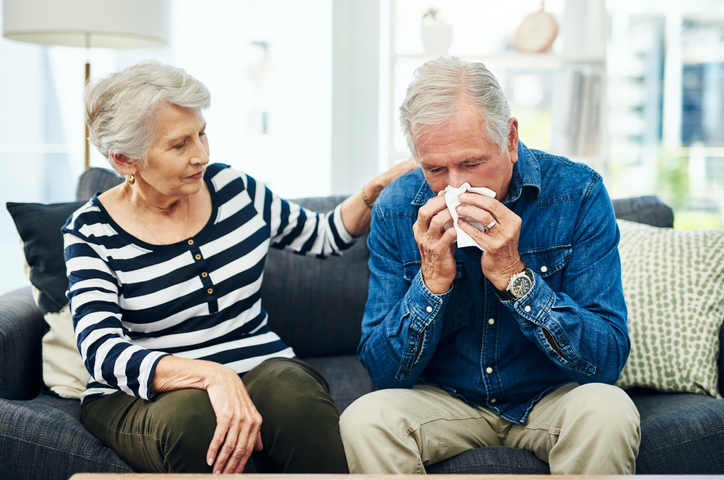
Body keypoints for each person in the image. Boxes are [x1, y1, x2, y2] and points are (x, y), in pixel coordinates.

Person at [62, 59, 415, 474]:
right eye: (179, 145)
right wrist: (211, 376)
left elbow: (324, 236)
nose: (201, 155)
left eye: (202, 134)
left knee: (293, 392)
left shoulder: (233, 188)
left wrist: (372, 192)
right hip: (143, 397)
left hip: (257, 365)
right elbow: (100, 349)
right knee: (192, 418)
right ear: (125, 160)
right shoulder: (90, 230)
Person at [339, 56, 641, 474]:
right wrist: (431, 285)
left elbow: (606, 359)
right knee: (365, 419)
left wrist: (517, 280)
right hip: (445, 402)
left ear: (511, 139)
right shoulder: (396, 208)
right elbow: (382, 372)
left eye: (472, 163)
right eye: (435, 168)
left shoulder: (578, 193)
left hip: (552, 398)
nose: (454, 186)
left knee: (608, 409)